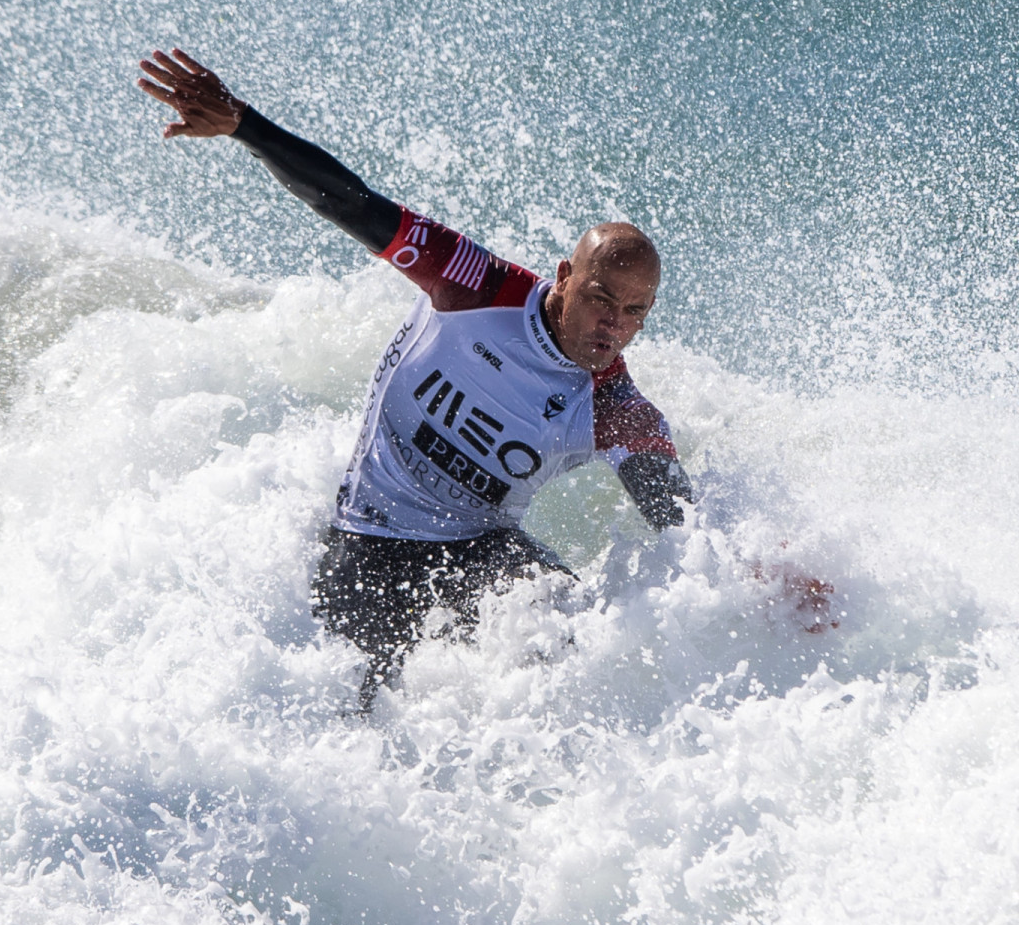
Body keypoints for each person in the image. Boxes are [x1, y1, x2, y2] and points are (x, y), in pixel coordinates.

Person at [137, 48, 694, 710]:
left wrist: (765, 578)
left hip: (475, 550)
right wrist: (244, 126)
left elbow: (685, 527)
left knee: (568, 641)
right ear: (564, 279)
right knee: (345, 715)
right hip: (366, 534)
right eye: (602, 297)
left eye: (636, 313)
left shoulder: (614, 409)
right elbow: (352, 203)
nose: (614, 325)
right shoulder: (473, 284)